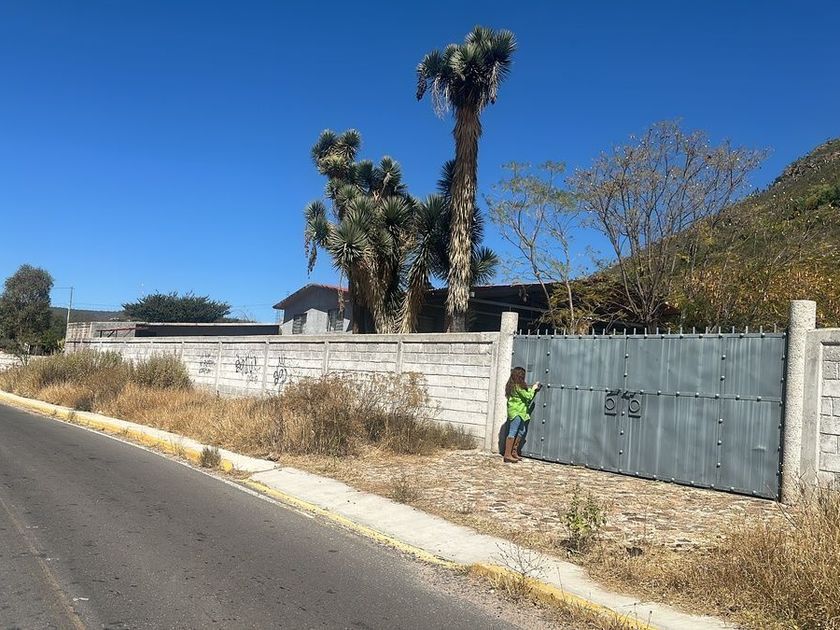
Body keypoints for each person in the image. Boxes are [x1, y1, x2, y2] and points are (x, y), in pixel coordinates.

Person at [504, 366, 541, 463]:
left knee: (522, 430)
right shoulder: (517, 386)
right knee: (513, 431)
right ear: (519, 376)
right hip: (516, 411)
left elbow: (525, 394)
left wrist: (532, 389)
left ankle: (514, 452)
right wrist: (534, 388)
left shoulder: (513, 385)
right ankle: (507, 455)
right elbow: (528, 396)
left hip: (520, 411)